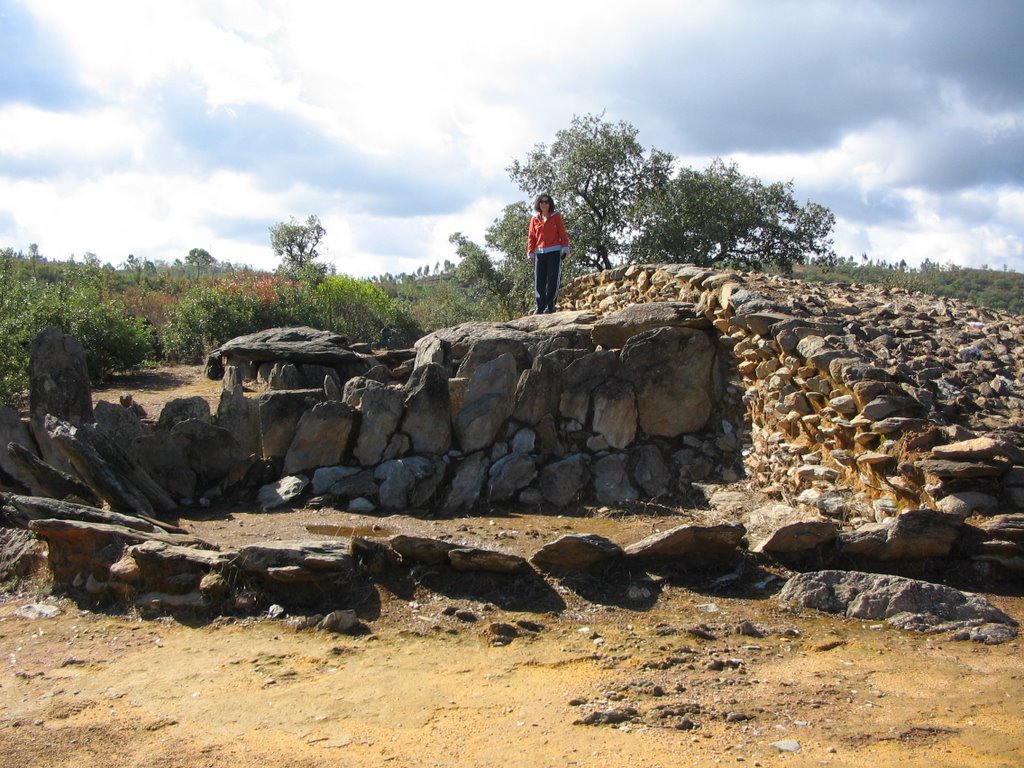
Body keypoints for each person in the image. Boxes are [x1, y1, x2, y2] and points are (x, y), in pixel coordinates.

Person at [526, 193, 570, 314]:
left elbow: (562, 232)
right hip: (540, 252)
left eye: (546, 202)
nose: (544, 204)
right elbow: (531, 236)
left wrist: (565, 247)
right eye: (541, 202)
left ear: (550, 204)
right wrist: (530, 252)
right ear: (538, 204)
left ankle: (550, 306)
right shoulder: (534, 218)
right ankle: (540, 306)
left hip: (554, 252)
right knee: (539, 280)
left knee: (552, 279)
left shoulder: (556, 216)